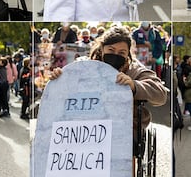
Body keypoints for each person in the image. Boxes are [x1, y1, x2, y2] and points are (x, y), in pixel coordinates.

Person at [50, 26, 167, 155]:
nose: (115, 55)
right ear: (102, 49)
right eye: (111, 50)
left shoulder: (134, 69)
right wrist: (59, 78)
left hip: (122, 127)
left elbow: (160, 94)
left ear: (128, 54)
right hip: (85, 126)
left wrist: (134, 85)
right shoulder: (84, 65)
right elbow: (64, 89)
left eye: (122, 52)